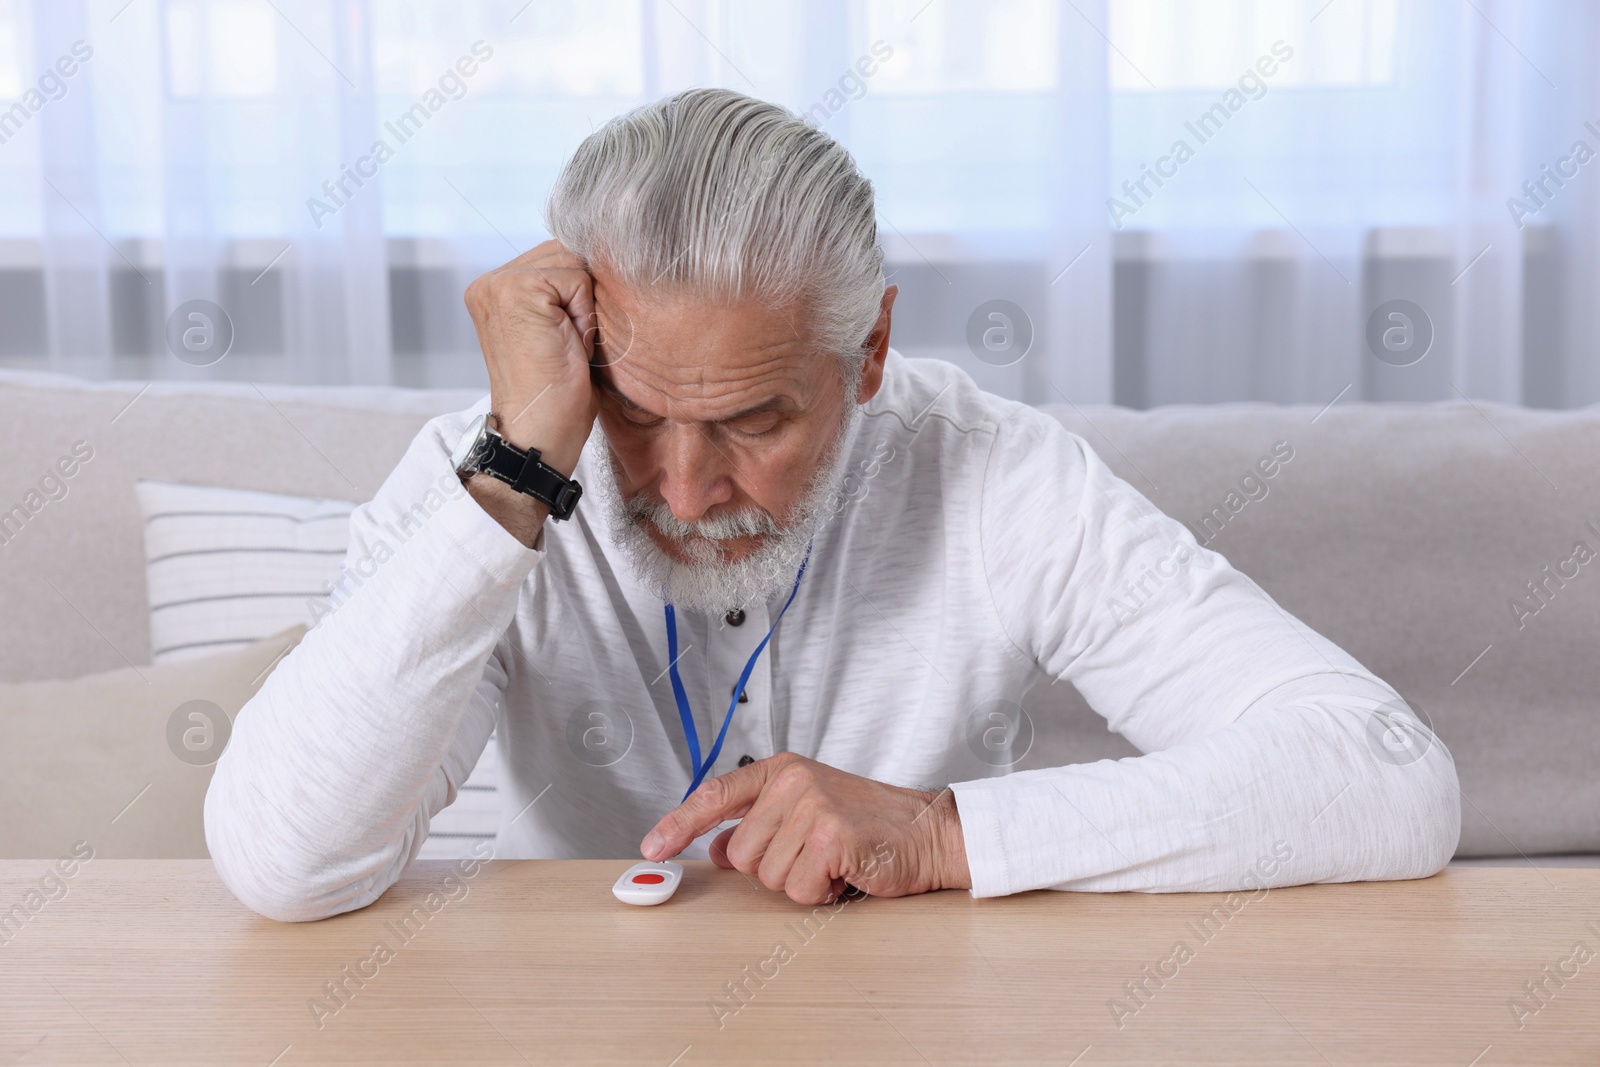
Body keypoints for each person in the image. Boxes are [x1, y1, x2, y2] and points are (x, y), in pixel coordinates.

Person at [205, 87, 1459, 923]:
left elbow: (1389, 776)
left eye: (756, 422)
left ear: (866, 353)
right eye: (636, 416)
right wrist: (517, 471)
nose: (687, 491)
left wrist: (940, 832)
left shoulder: (998, 474)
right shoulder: (493, 478)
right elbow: (286, 862)